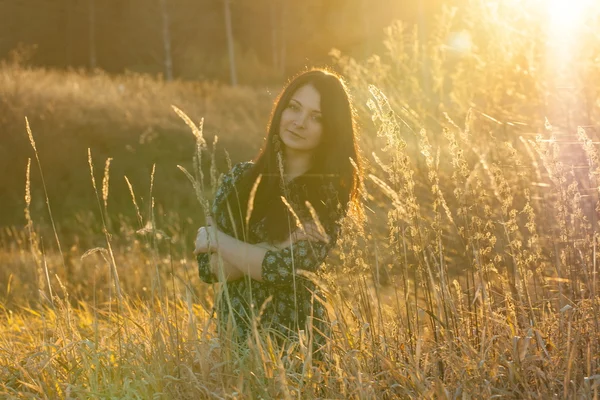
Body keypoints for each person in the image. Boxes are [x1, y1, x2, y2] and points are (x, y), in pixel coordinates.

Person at [193, 68, 363, 353]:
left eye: (316, 117)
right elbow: (210, 269)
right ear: (280, 110)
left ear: (331, 128)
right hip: (233, 338)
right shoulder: (239, 180)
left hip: (296, 344)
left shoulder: (327, 196)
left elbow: (282, 270)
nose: (299, 122)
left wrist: (218, 240)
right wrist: (277, 244)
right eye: (294, 108)